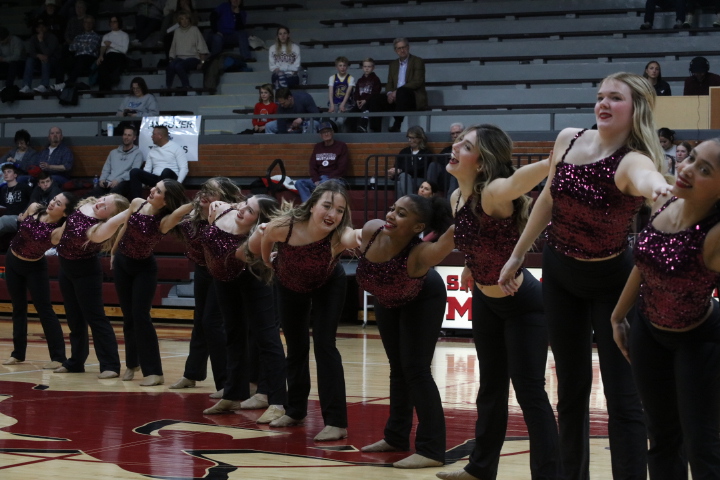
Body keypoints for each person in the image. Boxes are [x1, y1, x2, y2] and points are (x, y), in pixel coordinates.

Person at [498, 72, 673, 480]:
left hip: (614, 284)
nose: (604, 104)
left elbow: (649, 179)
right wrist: (518, 253)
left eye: (616, 98)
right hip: (560, 276)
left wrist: (660, 188)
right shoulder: (569, 139)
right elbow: (546, 198)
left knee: (624, 398)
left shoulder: (634, 160)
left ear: (637, 109)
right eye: (600, 96)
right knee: (570, 392)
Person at [435, 125, 558, 480]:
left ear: (483, 162)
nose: (455, 146)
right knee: (489, 389)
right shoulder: (457, 198)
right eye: (458, 141)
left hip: (523, 306)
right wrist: (470, 264)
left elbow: (518, 180)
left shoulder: (493, 192)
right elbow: (479, 239)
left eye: (467, 145)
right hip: (487, 302)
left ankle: (550, 475)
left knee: (529, 393)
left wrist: (554, 159)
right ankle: (481, 468)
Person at [611, 139, 720, 480]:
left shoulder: (716, 234)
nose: (687, 169)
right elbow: (644, 263)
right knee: (660, 437)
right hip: (648, 332)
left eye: (705, 170)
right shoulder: (669, 199)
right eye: (693, 160)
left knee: (702, 445)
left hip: (698, 340)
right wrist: (617, 316)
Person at [252, 180, 359, 441]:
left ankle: (336, 422)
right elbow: (265, 241)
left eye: (340, 210)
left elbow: (353, 237)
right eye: (327, 206)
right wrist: (269, 262)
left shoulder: (339, 233)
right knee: (297, 346)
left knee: (325, 345)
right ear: (312, 206)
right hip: (288, 285)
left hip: (328, 283)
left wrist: (365, 237)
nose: (333, 214)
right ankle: (296, 410)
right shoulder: (284, 226)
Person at [356, 195, 455, 469]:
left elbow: (452, 236)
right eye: (391, 209)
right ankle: (396, 437)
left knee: (417, 370)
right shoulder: (371, 230)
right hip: (386, 298)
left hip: (424, 297)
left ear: (417, 226)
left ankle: (432, 450)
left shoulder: (421, 253)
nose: (390, 215)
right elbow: (343, 238)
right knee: (397, 369)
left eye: (401, 214)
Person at [200, 196, 287, 427]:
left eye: (250, 211)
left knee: (266, 338)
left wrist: (260, 232)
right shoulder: (224, 210)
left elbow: (239, 255)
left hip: (253, 277)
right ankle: (232, 395)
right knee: (233, 334)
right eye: (245, 203)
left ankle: (277, 402)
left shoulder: (257, 236)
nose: (242, 210)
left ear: (260, 219)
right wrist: (216, 205)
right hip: (222, 278)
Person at [111, 180, 190, 386]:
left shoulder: (165, 220)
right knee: (128, 316)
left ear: (166, 200)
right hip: (122, 263)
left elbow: (180, 211)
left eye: (159, 191)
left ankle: (154, 372)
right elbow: (125, 227)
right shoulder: (137, 202)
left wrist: (201, 199)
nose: (152, 191)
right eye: (154, 187)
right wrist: (113, 253)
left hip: (143, 270)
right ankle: (131, 364)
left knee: (140, 317)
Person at [170, 178, 243, 396]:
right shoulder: (193, 216)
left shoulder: (230, 216)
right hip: (203, 270)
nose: (205, 194)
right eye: (204, 189)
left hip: (223, 271)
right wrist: (194, 206)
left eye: (212, 192)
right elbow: (168, 221)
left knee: (212, 322)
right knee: (200, 321)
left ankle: (225, 383)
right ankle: (192, 373)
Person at [53, 194, 130, 378]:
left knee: (96, 318)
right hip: (66, 268)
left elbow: (118, 220)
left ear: (109, 217)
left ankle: (110, 365)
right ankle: (75, 362)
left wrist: (134, 207)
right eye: (104, 199)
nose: (100, 203)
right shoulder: (87, 204)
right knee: (74, 319)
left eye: (105, 207)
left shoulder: (101, 229)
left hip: (85, 273)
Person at [2, 193, 77, 369]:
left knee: (45, 310)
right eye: (54, 199)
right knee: (18, 308)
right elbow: (22, 225)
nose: (52, 203)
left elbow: (71, 223)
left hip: (35, 268)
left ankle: (58, 357)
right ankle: (18, 354)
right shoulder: (34, 208)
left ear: (65, 213)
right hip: (12, 261)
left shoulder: (58, 232)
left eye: (58, 203)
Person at [365, 38, 427, 133]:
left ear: (408, 47)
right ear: (395, 50)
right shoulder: (393, 64)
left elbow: (417, 81)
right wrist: (390, 93)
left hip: (412, 98)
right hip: (396, 98)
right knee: (375, 98)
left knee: (402, 91)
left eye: (403, 47)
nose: (402, 50)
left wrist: (397, 92)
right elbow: (389, 83)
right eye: (399, 48)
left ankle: (397, 124)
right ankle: (375, 130)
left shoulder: (417, 61)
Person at [128, 126, 188, 200]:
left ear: (160, 136)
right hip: (156, 179)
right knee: (134, 172)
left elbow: (184, 168)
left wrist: (178, 184)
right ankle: (138, 201)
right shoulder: (152, 151)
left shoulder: (176, 148)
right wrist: (144, 184)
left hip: (170, 180)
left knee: (166, 171)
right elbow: (147, 170)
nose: (151, 136)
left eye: (153, 134)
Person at [294, 122, 349, 202]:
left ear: (332, 132)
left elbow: (342, 168)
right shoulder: (318, 147)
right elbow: (312, 166)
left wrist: (326, 179)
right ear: (320, 135)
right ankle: (308, 206)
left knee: (323, 182)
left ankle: (319, 206)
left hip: (336, 179)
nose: (326, 134)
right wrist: (316, 180)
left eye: (328, 131)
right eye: (323, 132)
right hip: (319, 179)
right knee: (299, 183)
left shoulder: (341, 146)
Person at [89, 126, 144, 197]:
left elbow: (133, 172)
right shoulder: (113, 152)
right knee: (91, 194)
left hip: (124, 182)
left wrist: (119, 180)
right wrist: (102, 179)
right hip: (108, 182)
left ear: (134, 138)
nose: (126, 137)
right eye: (125, 134)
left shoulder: (138, 153)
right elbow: (106, 169)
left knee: (112, 195)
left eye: (129, 135)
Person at [51, 15, 101, 92]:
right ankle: (59, 85)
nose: (88, 24)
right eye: (86, 22)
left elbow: (90, 49)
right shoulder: (78, 37)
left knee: (81, 59)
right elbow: (71, 48)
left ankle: (66, 83)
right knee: (61, 62)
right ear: (83, 24)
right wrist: (84, 44)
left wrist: (79, 44)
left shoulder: (96, 36)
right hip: (78, 57)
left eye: (90, 23)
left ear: (93, 24)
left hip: (89, 58)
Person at [166, 11, 209, 91]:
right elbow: (173, 46)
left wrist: (201, 62)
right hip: (180, 57)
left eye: (186, 19)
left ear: (189, 20)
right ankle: (168, 88)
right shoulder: (177, 31)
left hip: (193, 57)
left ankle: (186, 86)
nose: (184, 21)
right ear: (179, 21)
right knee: (171, 66)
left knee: (179, 66)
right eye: (182, 19)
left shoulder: (194, 29)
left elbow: (202, 47)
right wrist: (171, 58)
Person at [20, 19, 61, 94]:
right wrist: (38, 55)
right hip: (39, 61)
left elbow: (47, 52)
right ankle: (26, 85)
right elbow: (31, 52)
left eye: (43, 27)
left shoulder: (52, 37)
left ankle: (44, 85)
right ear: (36, 29)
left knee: (45, 59)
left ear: (46, 28)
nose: (41, 29)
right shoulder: (33, 38)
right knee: (30, 60)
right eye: (39, 27)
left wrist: (41, 41)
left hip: (53, 62)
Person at [388, 125, 431, 197]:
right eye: (409, 137)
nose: (410, 140)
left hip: (419, 179)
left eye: (413, 138)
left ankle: (403, 205)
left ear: (420, 138)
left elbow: (420, 170)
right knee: (402, 179)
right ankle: (409, 203)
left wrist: (400, 170)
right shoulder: (404, 152)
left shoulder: (426, 152)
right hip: (404, 179)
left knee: (402, 180)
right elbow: (397, 167)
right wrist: (393, 173)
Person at [347, 57, 382, 133]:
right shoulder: (360, 80)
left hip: (369, 103)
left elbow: (375, 93)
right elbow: (356, 92)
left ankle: (363, 126)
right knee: (351, 114)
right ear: (362, 67)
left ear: (373, 68)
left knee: (365, 108)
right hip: (359, 102)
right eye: (365, 66)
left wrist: (365, 100)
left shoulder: (376, 79)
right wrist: (357, 100)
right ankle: (352, 131)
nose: (367, 69)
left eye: (369, 67)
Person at [96, 15, 129, 92]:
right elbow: (103, 47)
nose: (112, 23)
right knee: (102, 64)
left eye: (115, 22)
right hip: (109, 56)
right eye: (111, 22)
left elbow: (124, 50)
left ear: (119, 23)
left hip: (120, 56)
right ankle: (104, 89)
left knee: (109, 63)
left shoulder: (124, 35)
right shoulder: (106, 36)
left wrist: (111, 44)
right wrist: (101, 56)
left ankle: (106, 88)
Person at [0, 163, 33, 235]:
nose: (6, 174)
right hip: (7, 217)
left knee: (2, 220)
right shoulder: (3, 189)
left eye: (9, 172)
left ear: (15, 175)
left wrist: (25, 215)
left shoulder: (24, 187)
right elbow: (2, 205)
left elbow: (33, 202)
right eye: (4, 172)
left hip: (20, 218)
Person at [327, 56, 355, 130]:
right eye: (340, 66)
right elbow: (330, 92)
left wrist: (342, 104)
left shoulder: (350, 78)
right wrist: (331, 105)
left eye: (344, 65)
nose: (342, 68)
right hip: (335, 102)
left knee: (340, 119)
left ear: (347, 67)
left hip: (346, 102)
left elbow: (348, 93)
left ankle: (333, 130)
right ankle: (331, 129)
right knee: (332, 118)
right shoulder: (332, 77)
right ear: (336, 67)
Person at [439, 123, 465, 197]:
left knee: (454, 173)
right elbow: (440, 162)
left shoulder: (468, 148)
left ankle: (449, 204)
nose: (455, 135)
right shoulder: (446, 150)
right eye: (452, 134)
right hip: (445, 176)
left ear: (464, 133)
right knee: (433, 165)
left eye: (457, 133)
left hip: (462, 175)